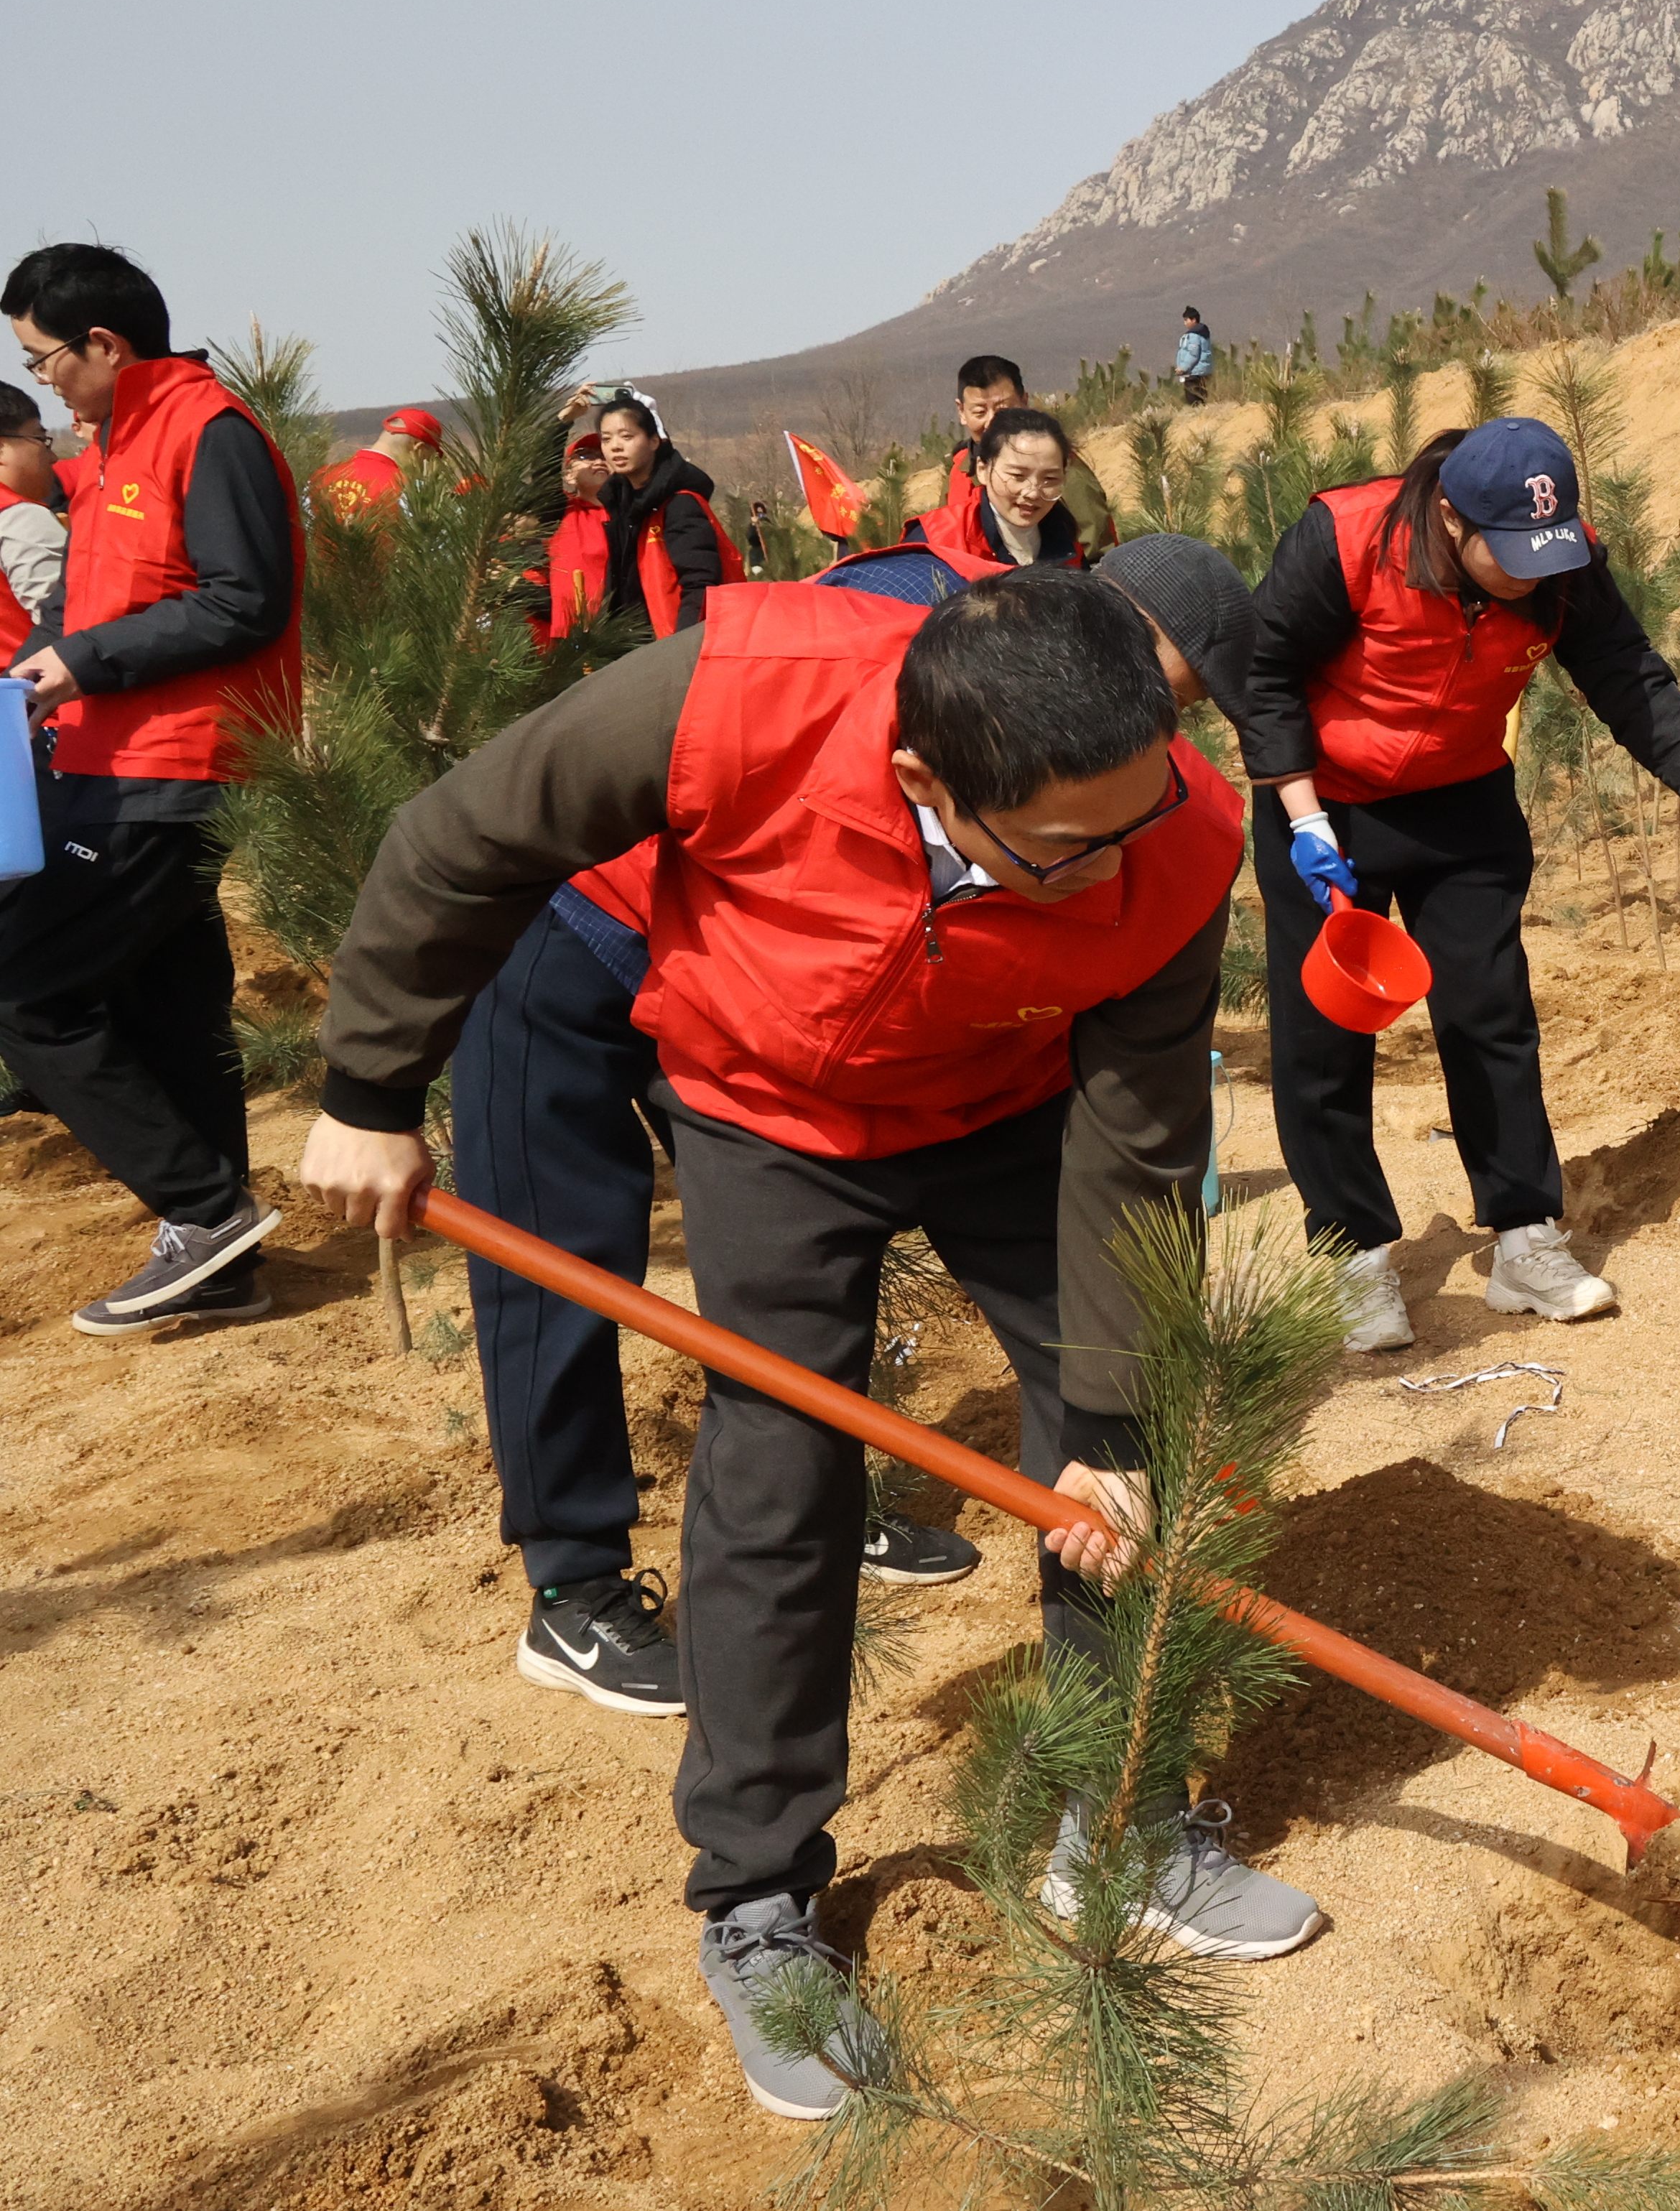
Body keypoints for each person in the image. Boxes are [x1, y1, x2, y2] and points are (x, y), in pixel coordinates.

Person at [303, 562, 1325, 2120]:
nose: (1109, 864)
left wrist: (1110, 1426)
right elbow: (464, 835)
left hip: (1007, 1106)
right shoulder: (742, 688)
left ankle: (1112, 1820)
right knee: (780, 1476)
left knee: (1136, 1432)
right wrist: (369, 1090)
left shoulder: (1168, 838)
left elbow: (1137, 1137)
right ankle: (757, 1900)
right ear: (926, 777)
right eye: (1063, 846)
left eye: (1136, 819)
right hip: (764, 1105)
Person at [448, 529, 1251, 1725]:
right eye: (1155, 692)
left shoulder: (1092, 800)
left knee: (799, 1273)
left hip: (802, 986)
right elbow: (633, 762)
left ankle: (837, 1485)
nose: (1144, 750)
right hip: (596, 929)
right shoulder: (889, 624)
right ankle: (576, 1582)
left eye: (1171, 724)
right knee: (561, 1259)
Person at [1245, 415, 1680, 1350]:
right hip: (1327, 804)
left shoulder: (1559, 563)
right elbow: (1263, 671)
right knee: (1325, 1036)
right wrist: (1305, 818)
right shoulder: (1346, 536)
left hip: (1462, 801)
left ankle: (1524, 1238)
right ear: (1447, 516)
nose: (1529, 573)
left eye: (1545, 554)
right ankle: (1350, 1256)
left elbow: (1632, 682)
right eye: (1507, 553)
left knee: (1491, 1016)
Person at [0, 243, 302, 1335]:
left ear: (105, 345)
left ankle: (201, 1206)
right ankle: (220, 1262)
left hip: (172, 771)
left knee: (24, 984)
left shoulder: (207, 429)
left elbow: (244, 602)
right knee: (171, 1010)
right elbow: (92, 601)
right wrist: (40, 660)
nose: (43, 380)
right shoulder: (123, 438)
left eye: (45, 361)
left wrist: (87, 661)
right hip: (108, 761)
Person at [594, 392, 739, 634]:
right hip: (629, 646)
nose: (615, 446)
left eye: (627, 436)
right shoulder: (620, 506)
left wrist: (682, 648)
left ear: (654, 441)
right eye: (606, 439)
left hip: (671, 647)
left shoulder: (679, 504)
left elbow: (701, 584)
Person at [909, 407, 1114, 569]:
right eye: (1018, 476)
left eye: (1050, 479)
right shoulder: (937, 538)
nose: (1033, 492)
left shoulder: (1063, 532)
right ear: (982, 469)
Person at [0, 380, 65, 661]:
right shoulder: (19, 518)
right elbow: (72, 624)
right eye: (40, 439)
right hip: (22, 695)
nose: (52, 457)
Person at [537, 428, 611, 641]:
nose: (598, 461)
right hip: (572, 636)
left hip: (622, 634)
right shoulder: (562, 512)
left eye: (604, 455)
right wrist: (562, 423)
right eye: (586, 455)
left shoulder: (630, 514)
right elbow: (543, 471)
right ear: (568, 475)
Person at [308, 406, 442, 519]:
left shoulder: (320, 476)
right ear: (419, 449)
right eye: (428, 459)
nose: (425, 468)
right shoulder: (408, 490)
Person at [942, 353, 1027, 505]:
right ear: (962, 412)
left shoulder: (1053, 464)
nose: (992, 422)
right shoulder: (958, 470)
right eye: (980, 413)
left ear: (1024, 403)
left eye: (1002, 410)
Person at [1175, 308, 1215, 406]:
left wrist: (1183, 368)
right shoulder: (1202, 334)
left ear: (1194, 320)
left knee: (1194, 401)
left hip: (1194, 373)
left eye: (1186, 320)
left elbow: (1193, 354)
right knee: (1202, 398)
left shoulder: (1194, 336)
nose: (1185, 323)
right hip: (1203, 372)